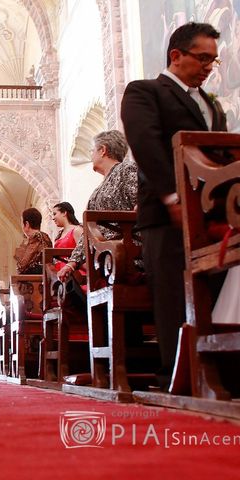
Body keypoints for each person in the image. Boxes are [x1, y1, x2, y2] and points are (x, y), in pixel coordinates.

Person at [121, 22, 227, 388]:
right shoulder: (145, 92)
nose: (208, 67)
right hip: (166, 211)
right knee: (170, 292)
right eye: (202, 58)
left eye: (213, 61)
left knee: (214, 289)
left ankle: (218, 368)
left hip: (212, 209)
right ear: (176, 55)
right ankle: (177, 374)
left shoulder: (211, 105)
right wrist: (173, 195)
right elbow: (147, 145)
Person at [58, 130, 137, 283]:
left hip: (125, 253)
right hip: (103, 256)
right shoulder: (97, 191)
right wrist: (72, 263)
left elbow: (140, 207)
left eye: (92, 151)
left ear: (103, 150)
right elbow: (90, 230)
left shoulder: (126, 170)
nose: (91, 155)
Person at [14, 208, 52, 274]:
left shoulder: (37, 237)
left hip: (35, 279)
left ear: (26, 224)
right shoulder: (45, 236)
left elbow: (23, 265)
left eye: (21, 222)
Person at [51, 202, 82, 272]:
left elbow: (83, 253)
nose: (53, 218)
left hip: (74, 273)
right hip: (60, 271)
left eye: (55, 214)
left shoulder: (77, 230)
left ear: (64, 213)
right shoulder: (60, 234)